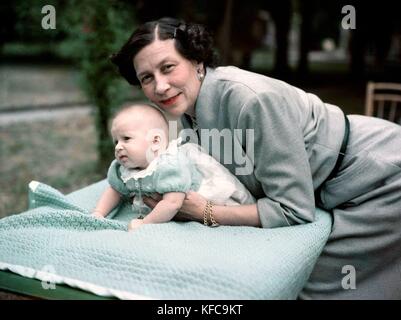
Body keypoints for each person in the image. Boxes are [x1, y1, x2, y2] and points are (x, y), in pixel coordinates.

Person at [109, 17, 401, 299]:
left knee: (314, 278)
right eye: (147, 78)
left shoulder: (251, 100)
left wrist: (204, 212)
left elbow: (293, 209)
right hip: (332, 185)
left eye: (168, 67)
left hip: (380, 175)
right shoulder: (184, 111)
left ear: (197, 62)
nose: (160, 86)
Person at [91, 103, 255, 231]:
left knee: (223, 204)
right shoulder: (123, 167)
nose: (118, 147)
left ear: (155, 141)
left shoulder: (170, 165)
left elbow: (173, 204)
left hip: (197, 196)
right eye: (116, 141)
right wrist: (99, 212)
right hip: (164, 203)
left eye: (126, 139)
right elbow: (115, 190)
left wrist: (145, 224)